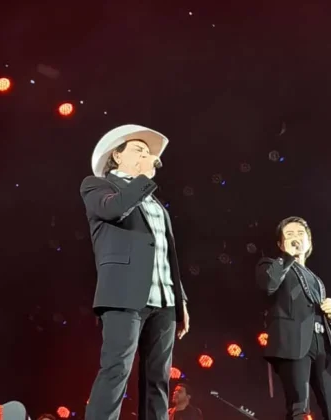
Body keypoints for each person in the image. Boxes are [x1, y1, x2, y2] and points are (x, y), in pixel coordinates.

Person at [81, 124, 190, 420]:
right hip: (124, 295)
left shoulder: (154, 202)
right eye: (138, 150)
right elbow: (114, 210)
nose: (147, 157)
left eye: (149, 153)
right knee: (117, 369)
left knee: (158, 380)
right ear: (116, 156)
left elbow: (166, 254)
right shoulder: (97, 186)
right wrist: (142, 180)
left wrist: (180, 302)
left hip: (164, 300)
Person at [256, 216, 331, 420]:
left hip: (321, 343)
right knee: (299, 408)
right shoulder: (269, 265)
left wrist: (330, 315)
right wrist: (286, 256)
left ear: (309, 242)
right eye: (289, 234)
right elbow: (269, 283)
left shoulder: (316, 279)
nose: (296, 237)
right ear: (280, 244)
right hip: (293, 342)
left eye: (300, 234)